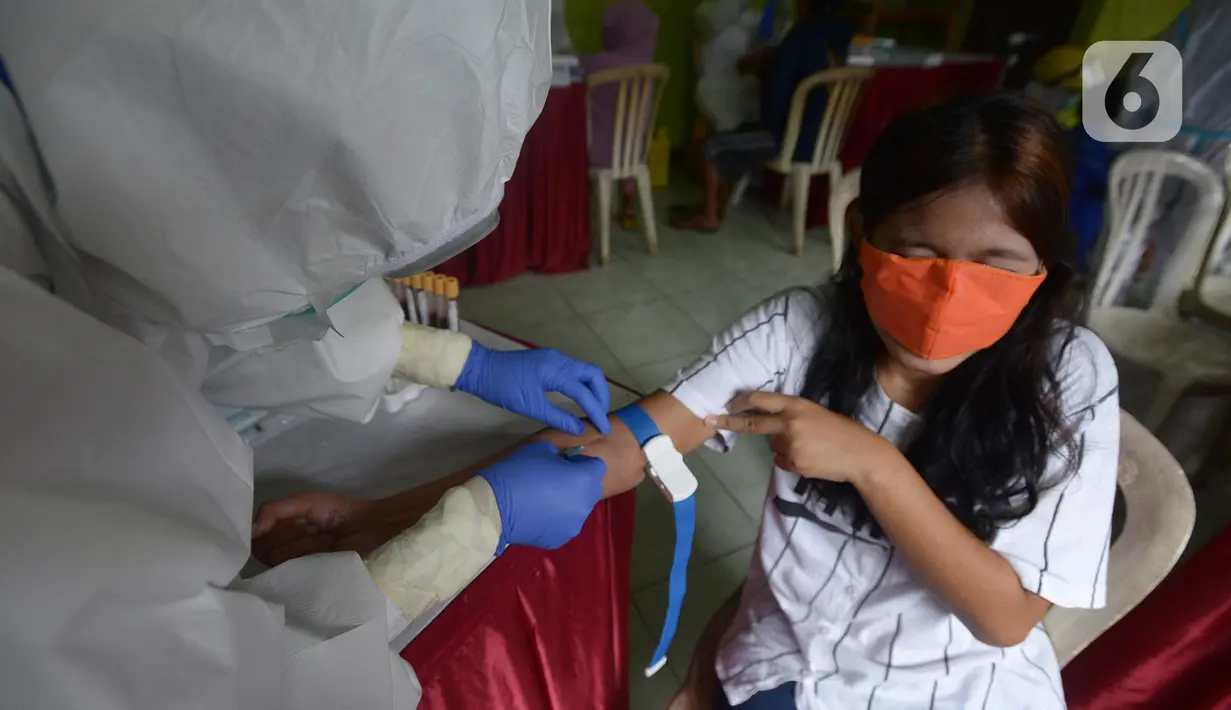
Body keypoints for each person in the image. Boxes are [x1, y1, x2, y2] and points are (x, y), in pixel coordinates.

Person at [261, 93, 1120, 709]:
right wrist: (380, 518)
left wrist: (870, 461)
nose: (943, 294)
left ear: (1044, 267)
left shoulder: (1068, 377)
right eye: (915, 250)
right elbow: (625, 446)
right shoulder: (799, 329)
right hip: (780, 676)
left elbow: (1005, 618)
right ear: (862, 233)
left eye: (993, 265)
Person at [0, 2, 628, 708]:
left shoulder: (86, 164)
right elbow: (213, 687)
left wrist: (459, 364)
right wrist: (468, 530)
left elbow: (195, 304)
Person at [672, 0, 855, 232]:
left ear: (805, 6)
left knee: (712, 146)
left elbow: (774, 99)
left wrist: (765, 71)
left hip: (788, 140)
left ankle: (709, 217)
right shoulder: (842, 36)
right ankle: (712, 204)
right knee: (738, 134)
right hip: (825, 141)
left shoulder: (798, 38)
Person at [580, 0, 660, 229]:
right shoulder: (648, 67)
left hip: (597, 151)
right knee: (624, 129)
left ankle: (575, 212)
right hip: (635, 151)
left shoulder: (597, 64)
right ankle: (629, 206)